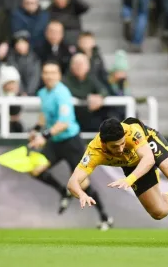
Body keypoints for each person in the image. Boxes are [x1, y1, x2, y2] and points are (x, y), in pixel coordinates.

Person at [28, 61, 113, 230]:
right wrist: (36, 129)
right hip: (55, 142)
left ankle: (105, 217)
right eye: (46, 72)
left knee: (82, 184)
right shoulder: (43, 93)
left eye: (53, 72)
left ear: (59, 76)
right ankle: (63, 191)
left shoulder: (62, 93)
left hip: (71, 141)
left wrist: (44, 136)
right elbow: (44, 115)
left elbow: (64, 123)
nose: (49, 76)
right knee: (35, 169)